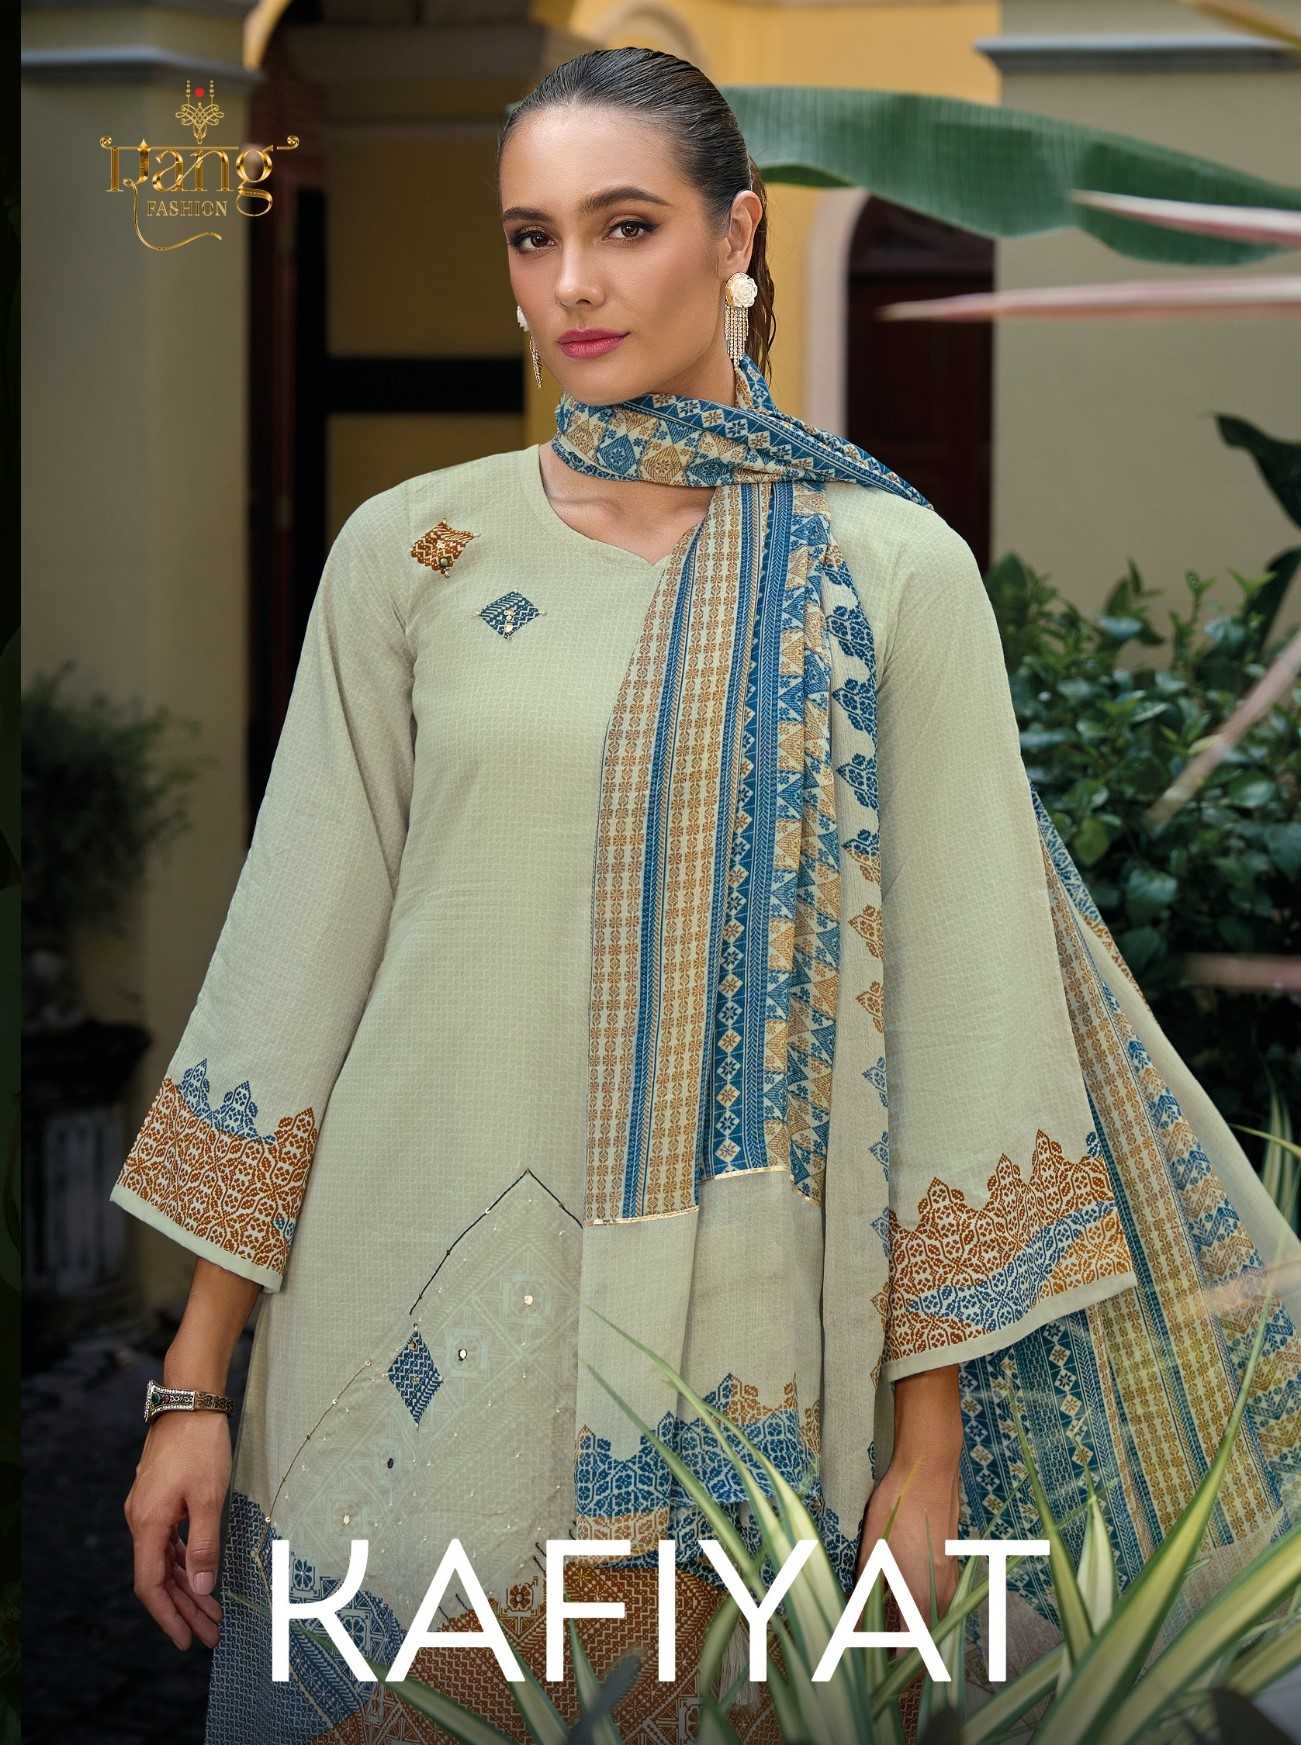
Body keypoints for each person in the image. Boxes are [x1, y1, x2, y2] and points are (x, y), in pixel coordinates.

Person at [112, 44, 1301, 1745]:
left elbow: (969, 1008)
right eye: (531, 237)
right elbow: (299, 956)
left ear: (735, 232)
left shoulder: (887, 571)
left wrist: (926, 1448)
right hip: (397, 1314)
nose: (572, 284)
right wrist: (193, 1383)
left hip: (756, 1356)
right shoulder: (410, 551)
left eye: (624, 226)